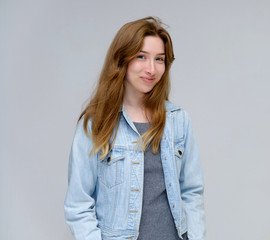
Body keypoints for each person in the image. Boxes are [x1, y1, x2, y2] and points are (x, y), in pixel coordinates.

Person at [64, 17, 206, 240]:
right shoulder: (96, 124)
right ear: (122, 59)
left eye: (159, 59)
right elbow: (78, 206)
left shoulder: (178, 120)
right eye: (141, 56)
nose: (151, 69)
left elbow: (192, 192)